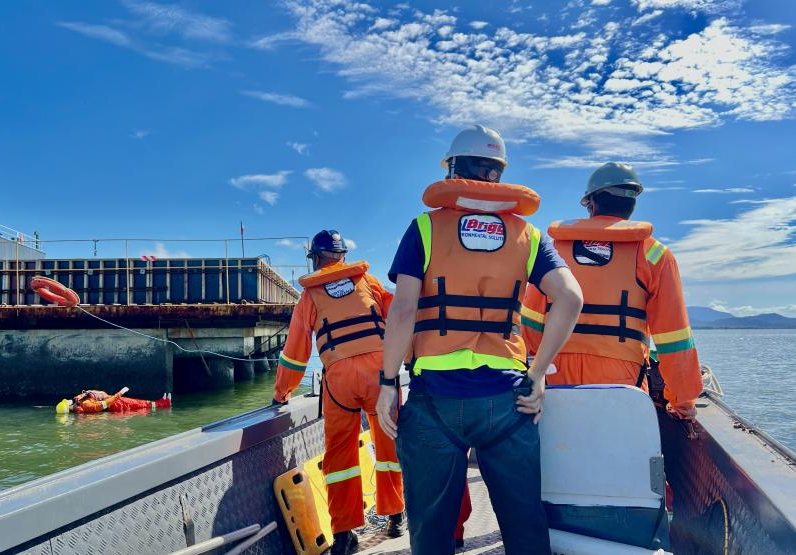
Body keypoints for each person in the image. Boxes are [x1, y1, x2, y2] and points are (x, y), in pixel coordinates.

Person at [375, 125, 583, 555]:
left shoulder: (425, 228)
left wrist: (388, 382)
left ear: (453, 169)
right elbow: (570, 297)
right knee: (526, 526)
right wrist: (539, 372)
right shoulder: (527, 235)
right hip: (507, 400)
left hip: (435, 400)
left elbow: (402, 311)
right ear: (498, 174)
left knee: (430, 531)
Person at [520, 162, 703, 419]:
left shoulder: (554, 251)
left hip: (555, 374)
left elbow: (531, 322)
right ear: (632, 205)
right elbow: (674, 337)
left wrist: (534, 373)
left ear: (591, 203)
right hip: (623, 381)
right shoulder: (655, 255)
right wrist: (682, 401)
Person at [272, 229, 405, 554]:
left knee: (340, 458)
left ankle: (344, 534)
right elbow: (400, 318)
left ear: (316, 259)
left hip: (340, 380)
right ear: (342, 256)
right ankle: (396, 517)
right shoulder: (369, 283)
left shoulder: (309, 297)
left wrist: (281, 393)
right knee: (389, 447)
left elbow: (295, 354)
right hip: (381, 374)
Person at [56, 388, 172, 414]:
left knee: (139, 403)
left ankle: (162, 402)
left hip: (114, 402)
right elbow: (106, 403)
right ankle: (164, 404)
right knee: (139, 405)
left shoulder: (78, 399)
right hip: (115, 405)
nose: (69, 401)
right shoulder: (87, 405)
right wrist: (120, 393)